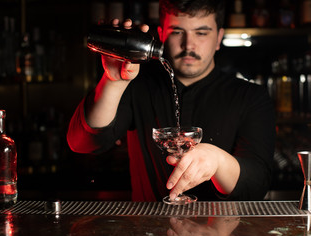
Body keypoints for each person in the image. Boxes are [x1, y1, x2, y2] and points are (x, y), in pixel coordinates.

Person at [67, 0, 275, 202]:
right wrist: (113, 81)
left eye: (201, 33)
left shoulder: (251, 96)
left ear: (219, 37)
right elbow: (82, 143)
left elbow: (257, 186)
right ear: (161, 35)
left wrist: (218, 161)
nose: (188, 45)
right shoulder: (137, 85)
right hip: (146, 232)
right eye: (177, 32)